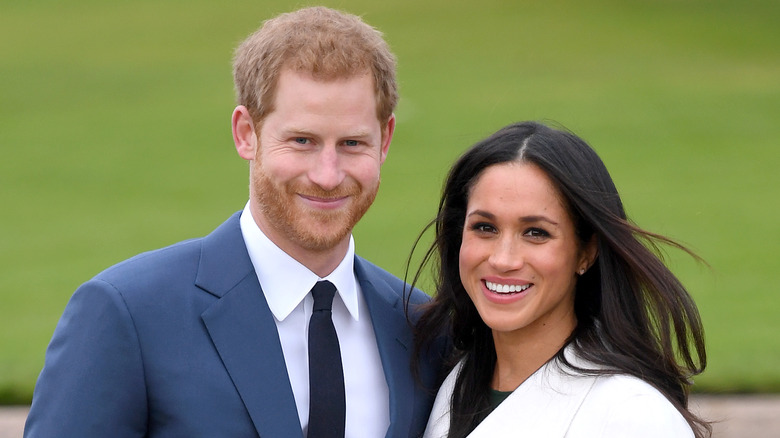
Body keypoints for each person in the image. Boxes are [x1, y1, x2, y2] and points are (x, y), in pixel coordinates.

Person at [25, 7, 442, 438]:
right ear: (247, 133)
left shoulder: (423, 328)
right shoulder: (128, 314)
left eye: (352, 143)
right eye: (302, 141)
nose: (327, 175)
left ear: (385, 140)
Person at [410, 121, 710, 437]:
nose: (502, 259)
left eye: (536, 233)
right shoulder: (448, 383)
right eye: (485, 227)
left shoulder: (632, 415)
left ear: (585, 253)